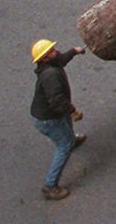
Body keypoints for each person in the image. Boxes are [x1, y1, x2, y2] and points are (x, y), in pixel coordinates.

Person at [30, 38, 88, 201]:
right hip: (48, 119)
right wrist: (73, 111)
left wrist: (74, 51)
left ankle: (71, 139)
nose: (55, 52)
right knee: (64, 146)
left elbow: (61, 59)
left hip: (54, 114)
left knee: (65, 122)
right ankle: (50, 186)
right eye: (51, 51)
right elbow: (57, 101)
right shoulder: (50, 75)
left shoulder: (50, 64)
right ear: (44, 58)